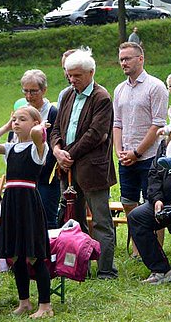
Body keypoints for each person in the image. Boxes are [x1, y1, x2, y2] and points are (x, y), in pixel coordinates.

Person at [50, 47, 118, 280]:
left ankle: (106, 269)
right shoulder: (68, 95)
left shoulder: (102, 97)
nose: (72, 79)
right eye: (70, 74)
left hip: (92, 170)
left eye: (77, 75)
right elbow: (56, 126)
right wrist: (57, 150)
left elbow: (95, 134)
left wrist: (68, 154)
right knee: (72, 219)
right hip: (66, 168)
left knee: (100, 220)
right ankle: (77, 267)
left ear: (91, 73)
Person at [0, 106, 52, 318]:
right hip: (11, 203)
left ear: (34, 123)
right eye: (14, 119)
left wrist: (39, 127)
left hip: (28, 203)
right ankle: (25, 302)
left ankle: (45, 305)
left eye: (22, 119)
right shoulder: (11, 148)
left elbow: (38, 135)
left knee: (34, 256)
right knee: (16, 255)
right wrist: (6, 126)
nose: (16, 123)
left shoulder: (38, 147)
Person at [113, 42, 168, 257]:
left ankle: (156, 248)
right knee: (128, 202)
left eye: (127, 58)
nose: (124, 63)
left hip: (149, 157)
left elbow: (158, 124)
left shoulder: (155, 86)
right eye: (121, 60)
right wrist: (120, 150)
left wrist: (137, 153)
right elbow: (117, 123)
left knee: (153, 203)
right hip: (125, 156)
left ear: (141, 59)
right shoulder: (119, 89)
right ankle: (138, 249)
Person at [127, 139, 171, 285]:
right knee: (136, 217)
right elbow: (154, 174)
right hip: (163, 202)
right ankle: (162, 270)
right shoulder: (165, 143)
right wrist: (157, 200)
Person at [19, 69, 60, 229]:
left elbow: (56, 141)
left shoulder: (52, 112)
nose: (29, 96)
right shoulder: (21, 111)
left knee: (47, 220)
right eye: (26, 91)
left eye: (34, 91)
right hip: (24, 176)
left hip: (46, 177)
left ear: (44, 90)